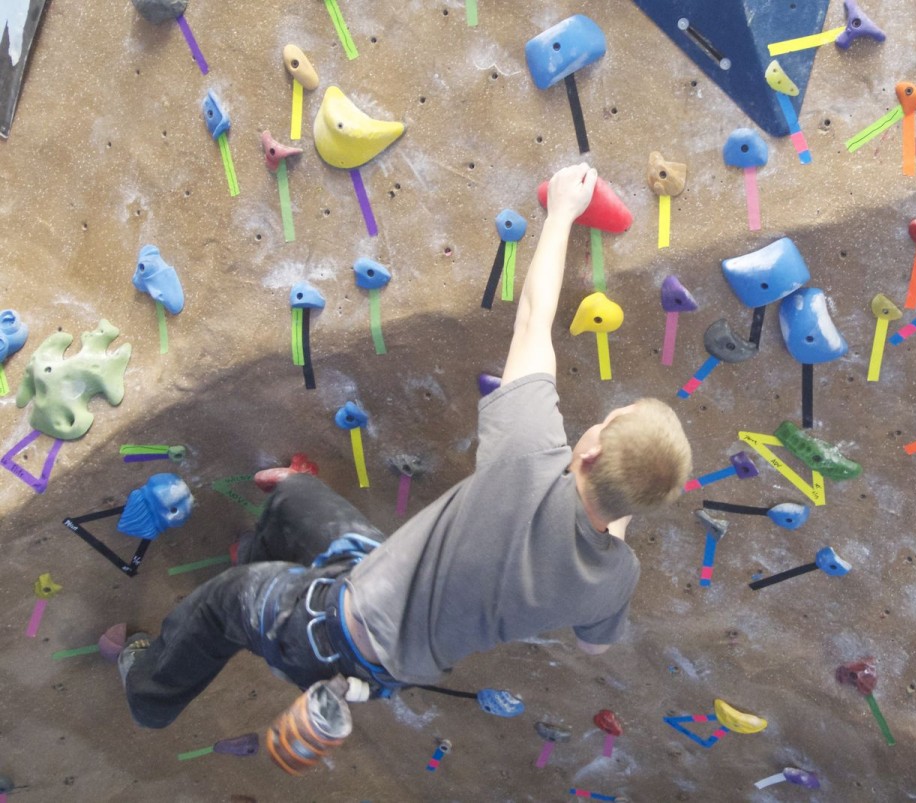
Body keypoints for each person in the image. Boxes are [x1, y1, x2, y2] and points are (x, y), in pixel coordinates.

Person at [119, 162, 693, 729]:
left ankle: (150, 693)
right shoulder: (616, 576)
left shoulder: (527, 458)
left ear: (589, 454)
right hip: (389, 622)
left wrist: (564, 212)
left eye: (612, 420)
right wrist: (616, 521)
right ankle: (266, 563)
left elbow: (533, 323)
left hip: (333, 632)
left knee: (224, 603)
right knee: (297, 499)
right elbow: (595, 644)